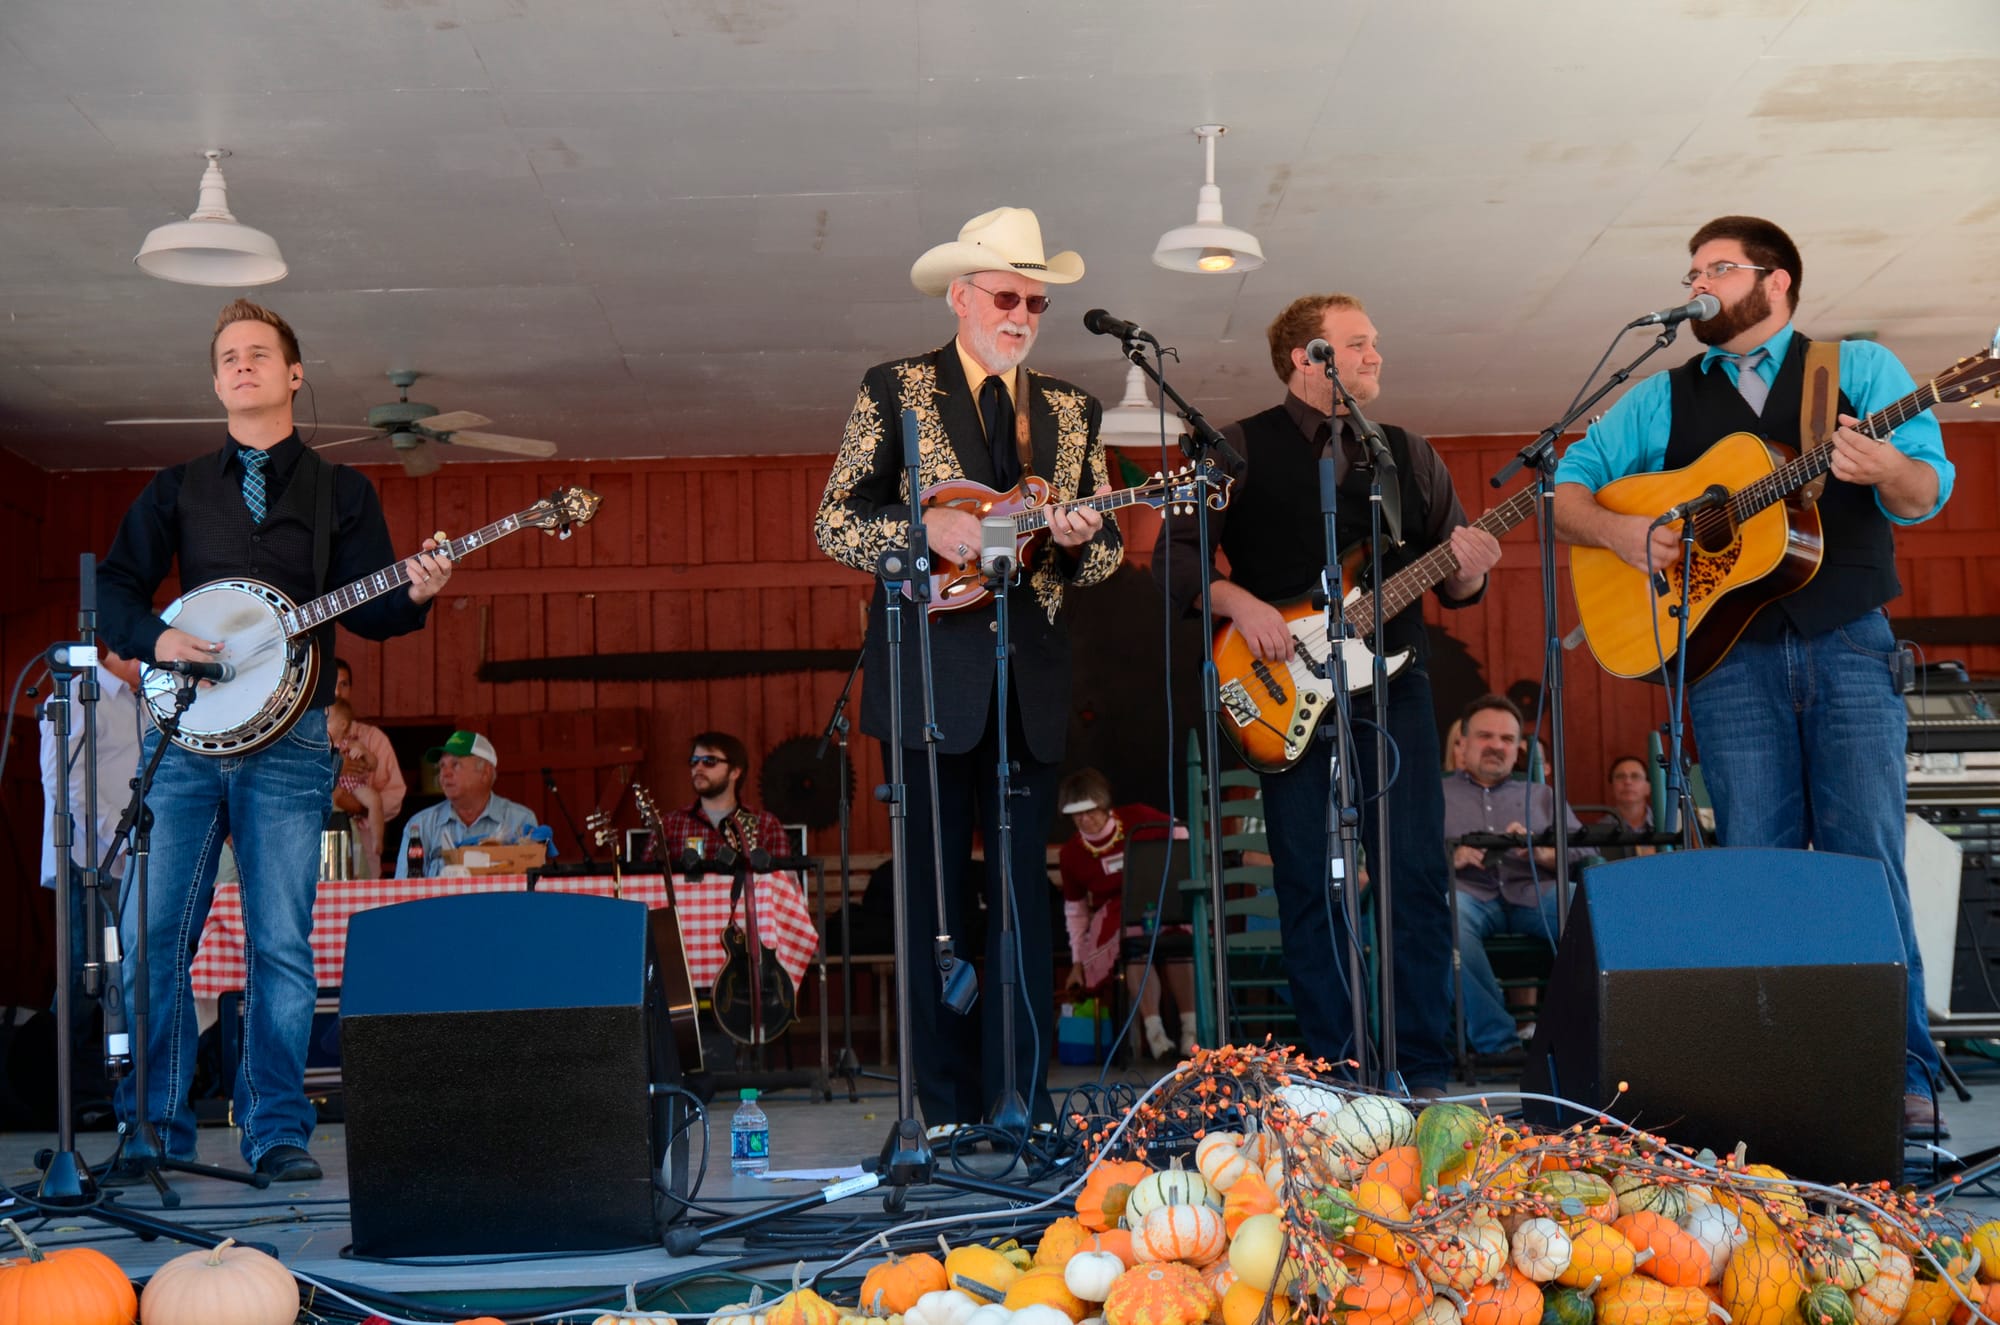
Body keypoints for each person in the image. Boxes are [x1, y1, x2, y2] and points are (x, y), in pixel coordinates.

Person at [1552, 214, 1954, 1138]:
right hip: (1728, 663)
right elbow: (1569, 484)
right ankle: (1768, 1076)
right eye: (1691, 269)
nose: (1697, 283)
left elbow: (1925, 492)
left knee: (1868, 864)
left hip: (1849, 644)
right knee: (1754, 865)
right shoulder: (1662, 398)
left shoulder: (1855, 370)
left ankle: (1901, 1076)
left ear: (1776, 282)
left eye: (1717, 268)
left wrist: (1885, 461)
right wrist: (1625, 533)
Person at [97, 299, 452, 1182]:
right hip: (183, 741)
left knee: (281, 945)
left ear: (295, 374)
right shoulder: (176, 487)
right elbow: (113, 591)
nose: (243, 365)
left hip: (292, 743)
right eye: (229, 356)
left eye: (261, 353)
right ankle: (154, 1131)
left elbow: (372, 611)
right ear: (217, 380)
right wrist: (157, 640)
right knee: (152, 939)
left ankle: (277, 1132)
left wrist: (418, 590)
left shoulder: (345, 492)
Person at [813, 206, 1121, 1127]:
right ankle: (936, 1106)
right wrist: (923, 528)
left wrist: (1078, 536)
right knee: (932, 900)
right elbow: (832, 520)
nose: (1023, 313)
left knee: (1024, 896)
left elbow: (1100, 561)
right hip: (926, 686)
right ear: (961, 297)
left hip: (1027, 684)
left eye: (1036, 300)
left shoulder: (1072, 411)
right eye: (1006, 295)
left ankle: (1017, 1099)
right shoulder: (896, 388)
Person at [1152, 292, 1502, 1099]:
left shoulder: (1408, 455)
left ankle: (1419, 1067)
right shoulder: (1234, 448)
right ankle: (1336, 1071)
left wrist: (1474, 565)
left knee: (1415, 870)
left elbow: (1459, 584)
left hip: (1395, 681)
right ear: (1308, 359)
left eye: (1376, 341)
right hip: (1281, 688)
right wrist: (1241, 604)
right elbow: (1175, 557)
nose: (1377, 355)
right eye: (1358, 343)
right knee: (1307, 879)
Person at [1442, 695, 1585, 1058]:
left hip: (1535, 891)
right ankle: (1500, 1045)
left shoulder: (1541, 796)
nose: (1496, 746)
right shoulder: (1436, 794)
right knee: (1447, 914)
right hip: (1468, 895)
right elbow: (1405, 854)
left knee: (1590, 910)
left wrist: (1541, 852)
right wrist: (1451, 857)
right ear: (1463, 743)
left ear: (1519, 747)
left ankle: (1587, 1042)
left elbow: (1585, 851)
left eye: (1506, 739)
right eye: (1485, 736)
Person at [38, 649, 147, 1101]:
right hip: (87, 856)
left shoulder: (144, 702)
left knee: (118, 974)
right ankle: (50, 1083)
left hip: (129, 856)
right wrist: (110, 841)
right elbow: (63, 778)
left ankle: (100, 1086)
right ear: (124, 649)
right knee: (85, 970)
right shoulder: (79, 694)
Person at [1054, 769, 1194, 1058]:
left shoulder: (1138, 818)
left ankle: (1190, 1033)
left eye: (1090, 811)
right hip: (1116, 916)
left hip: (1159, 902)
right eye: (1076, 814)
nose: (1084, 820)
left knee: (1179, 946)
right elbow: (1076, 912)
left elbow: (1180, 832)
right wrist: (1078, 960)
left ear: (1104, 805)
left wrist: (1171, 877)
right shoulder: (1071, 854)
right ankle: (1156, 1038)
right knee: (1135, 950)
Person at [394, 730, 540, 875]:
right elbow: (404, 890)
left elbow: (534, 889)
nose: (445, 773)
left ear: (485, 773)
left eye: (455, 765)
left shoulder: (520, 821)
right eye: (442, 766)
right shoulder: (421, 826)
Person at [655, 732, 791, 864]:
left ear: (735, 772)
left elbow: (783, 883)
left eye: (710, 761)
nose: (698, 768)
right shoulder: (670, 825)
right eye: (694, 761)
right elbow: (644, 880)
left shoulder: (765, 825)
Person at [331, 656, 406, 824]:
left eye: (343, 684)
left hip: (364, 837)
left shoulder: (373, 738)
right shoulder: (307, 740)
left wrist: (360, 807)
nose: (337, 692)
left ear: (351, 689)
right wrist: (335, 770)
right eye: (330, 685)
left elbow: (395, 793)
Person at [326, 699, 384, 876]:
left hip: (353, 785)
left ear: (342, 724)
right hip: (334, 793)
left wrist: (365, 754)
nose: (322, 724)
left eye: (327, 720)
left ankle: (377, 839)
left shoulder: (351, 744)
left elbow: (373, 765)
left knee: (375, 800)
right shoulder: (320, 747)